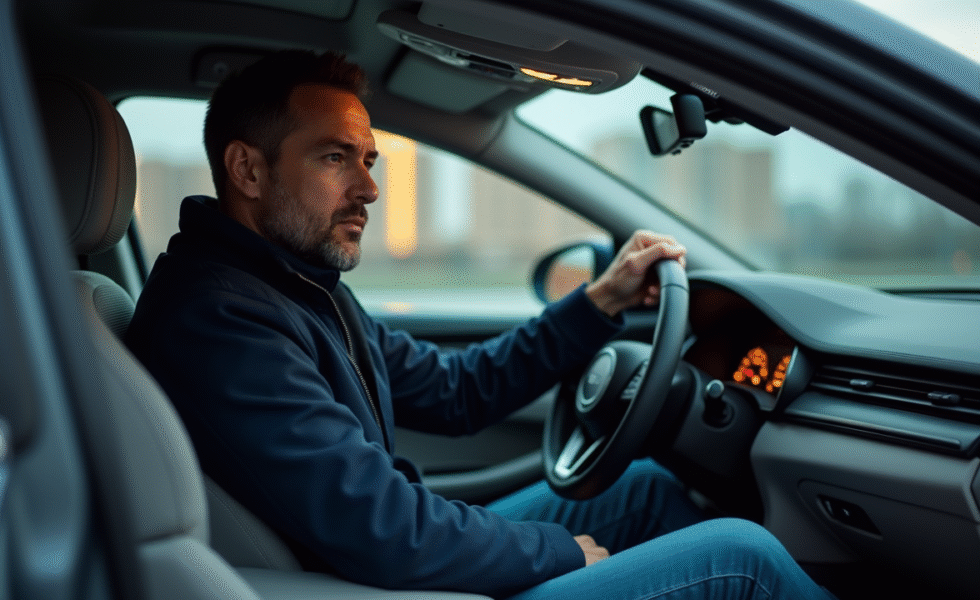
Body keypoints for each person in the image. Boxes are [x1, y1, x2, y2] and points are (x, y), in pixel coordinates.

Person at [125, 50, 836, 600]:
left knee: (647, 487)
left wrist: (601, 303)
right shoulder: (220, 320)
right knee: (742, 560)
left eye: (369, 161)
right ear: (247, 170)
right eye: (336, 157)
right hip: (369, 585)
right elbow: (383, 529)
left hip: (383, 566)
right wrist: (561, 552)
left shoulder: (297, 286)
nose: (370, 187)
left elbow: (457, 391)